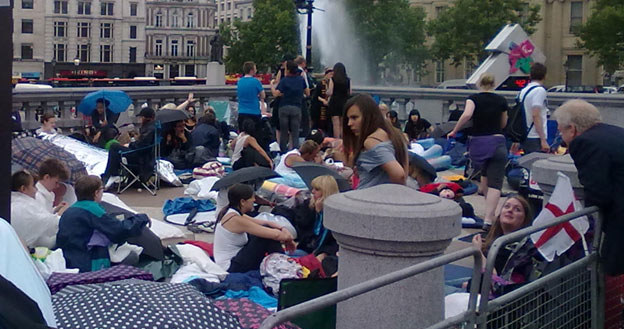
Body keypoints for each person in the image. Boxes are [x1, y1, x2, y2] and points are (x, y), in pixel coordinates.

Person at [554, 99, 624, 275]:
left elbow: (599, 192)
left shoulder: (584, 143)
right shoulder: (616, 132)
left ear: (572, 128)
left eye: (561, 129)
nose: (559, 134)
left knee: (612, 273)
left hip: (619, 223)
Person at [448, 73, 509, 227]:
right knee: (496, 182)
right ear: (494, 84)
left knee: (484, 174)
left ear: (479, 83)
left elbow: (467, 114)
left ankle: (488, 208)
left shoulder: (473, 98)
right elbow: (503, 123)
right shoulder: (501, 100)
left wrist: (455, 130)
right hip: (496, 141)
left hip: (479, 144)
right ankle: (489, 218)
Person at [56, 175, 150, 272]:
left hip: (68, 260)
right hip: (89, 263)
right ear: (96, 193)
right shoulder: (93, 209)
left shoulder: (69, 210)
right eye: (102, 189)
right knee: (132, 257)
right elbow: (119, 230)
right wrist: (141, 219)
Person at [213, 184, 295, 273]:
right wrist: (288, 238)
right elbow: (276, 235)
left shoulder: (231, 213)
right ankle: (282, 267)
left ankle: (280, 263)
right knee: (264, 236)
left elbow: (266, 222)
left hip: (235, 259)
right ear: (243, 201)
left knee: (266, 230)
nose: (254, 200)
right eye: (252, 198)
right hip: (231, 267)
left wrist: (283, 228)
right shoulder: (235, 219)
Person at [343, 94, 408, 189]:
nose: (349, 123)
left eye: (354, 117)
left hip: (369, 198)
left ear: (368, 116)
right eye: (348, 119)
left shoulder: (371, 141)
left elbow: (399, 174)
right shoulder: (394, 134)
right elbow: (403, 174)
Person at [101, 107, 156, 186]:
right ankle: (111, 174)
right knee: (116, 150)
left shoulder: (149, 129)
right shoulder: (153, 128)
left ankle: (109, 175)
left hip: (140, 158)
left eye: (141, 117)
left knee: (114, 147)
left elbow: (141, 146)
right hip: (147, 157)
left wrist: (130, 144)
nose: (140, 119)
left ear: (144, 118)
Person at [11, 170, 60, 249]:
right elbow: (49, 223)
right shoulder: (25, 207)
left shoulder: (11, 203)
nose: (36, 190)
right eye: (33, 186)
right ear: (23, 189)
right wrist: (63, 214)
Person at [271, 60, 310, 153]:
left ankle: (283, 152)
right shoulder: (300, 80)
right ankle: (295, 151)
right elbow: (307, 93)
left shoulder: (284, 80)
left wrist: (272, 85)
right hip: (296, 107)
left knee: (284, 132)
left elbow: (276, 94)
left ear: (287, 70)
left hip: (284, 107)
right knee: (295, 132)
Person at [518, 62, 548, 154]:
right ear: (544, 76)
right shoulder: (540, 91)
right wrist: (543, 139)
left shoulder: (524, 90)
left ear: (530, 75)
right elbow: (535, 114)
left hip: (525, 133)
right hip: (535, 135)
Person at [237, 61, 267, 139]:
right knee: (255, 137)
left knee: (243, 137)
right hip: (254, 112)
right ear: (251, 70)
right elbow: (263, 95)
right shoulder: (256, 81)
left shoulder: (240, 81)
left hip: (242, 112)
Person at [326, 62, 351, 138]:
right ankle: (343, 141)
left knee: (336, 124)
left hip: (335, 102)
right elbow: (350, 92)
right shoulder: (348, 80)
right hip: (344, 102)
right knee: (343, 124)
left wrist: (326, 91)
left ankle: (337, 141)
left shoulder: (332, 79)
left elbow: (330, 92)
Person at [310, 68, 332, 133]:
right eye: (330, 74)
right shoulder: (320, 83)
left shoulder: (332, 83)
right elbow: (316, 96)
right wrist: (323, 100)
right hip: (320, 107)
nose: (331, 76)